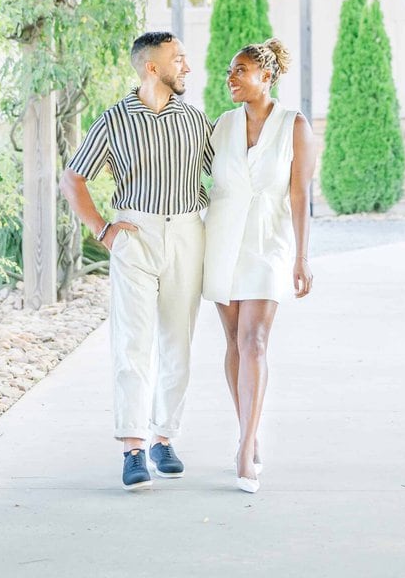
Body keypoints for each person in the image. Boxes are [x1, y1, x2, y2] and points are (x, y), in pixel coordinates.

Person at [60, 31, 213, 491]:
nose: (186, 65)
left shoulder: (195, 120)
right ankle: (132, 447)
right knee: (131, 342)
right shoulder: (113, 121)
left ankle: (164, 436)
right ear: (152, 67)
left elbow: (226, 171)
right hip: (135, 234)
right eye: (178, 58)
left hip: (188, 230)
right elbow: (73, 178)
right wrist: (101, 228)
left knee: (178, 343)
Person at [202, 38, 315, 494]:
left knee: (256, 340)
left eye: (241, 70)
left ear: (265, 77)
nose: (231, 78)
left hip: (269, 241)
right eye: (230, 70)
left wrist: (302, 257)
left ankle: (246, 451)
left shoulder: (295, 125)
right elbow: (191, 172)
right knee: (233, 341)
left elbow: (300, 194)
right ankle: (247, 429)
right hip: (223, 239)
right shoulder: (222, 125)